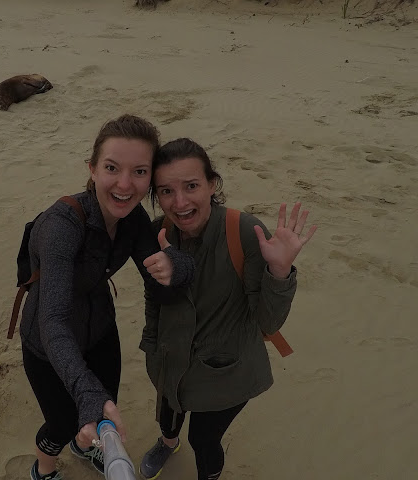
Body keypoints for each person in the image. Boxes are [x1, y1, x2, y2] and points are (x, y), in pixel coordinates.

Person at [18, 115, 196, 480]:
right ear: (93, 169)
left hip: (100, 330)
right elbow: (52, 318)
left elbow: (161, 291)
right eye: (112, 168)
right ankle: (44, 470)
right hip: (46, 340)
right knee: (63, 421)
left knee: (103, 403)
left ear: (150, 177)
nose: (125, 184)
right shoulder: (61, 226)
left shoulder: (133, 221)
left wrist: (177, 266)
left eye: (140, 172)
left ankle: (84, 447)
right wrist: (83, 392)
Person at [138, 138, 317, 480]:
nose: (180, 202)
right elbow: (154, 295)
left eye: (191, 186)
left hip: (225, 371)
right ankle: (168, 442)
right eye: (166, 191)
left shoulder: (244, 232)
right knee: (168, 415)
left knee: (203, 440)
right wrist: (151, 343)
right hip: (169, 360)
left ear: (212, 184)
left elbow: (268, 320)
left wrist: (279, 271)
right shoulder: (158, 231)